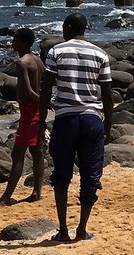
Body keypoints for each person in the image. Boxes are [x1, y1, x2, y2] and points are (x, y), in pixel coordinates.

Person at [39, 13, 112, 242]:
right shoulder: (100, 54)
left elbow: (47, 89)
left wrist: (41, 121)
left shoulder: (56, 52)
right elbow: (108, 95)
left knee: (62, 174)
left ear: (68, 27)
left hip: (66, 118)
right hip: (92, 119)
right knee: (90, 175)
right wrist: (108, 127)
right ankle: (82, 228)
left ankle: (63, 229)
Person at [0, 27, 45, 206]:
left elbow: (30, 92)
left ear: (23, 42)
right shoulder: (37, 61)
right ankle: (37, 191)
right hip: (37, 111)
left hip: (30, 111)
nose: (12, 43)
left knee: (18, 154)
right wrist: (45, 102)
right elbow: (43, 84)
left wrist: (46, 102)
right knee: (37, 152)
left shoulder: (22, 62)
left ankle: (6, 198)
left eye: (15, 40)